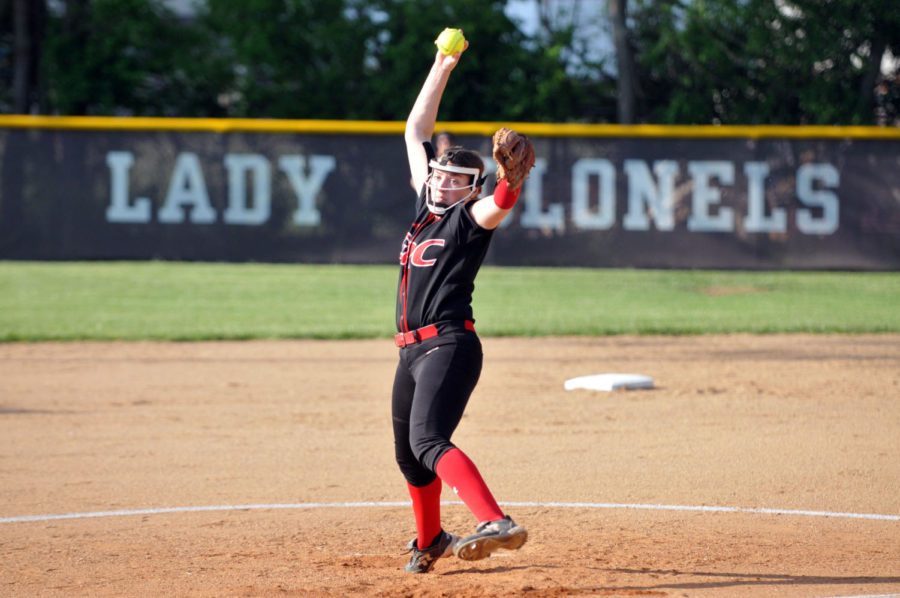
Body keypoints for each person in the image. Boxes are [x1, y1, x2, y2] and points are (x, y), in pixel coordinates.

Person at [392, 35, 534, 574]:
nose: (444, 184)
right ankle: (429, 540)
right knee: (409, 457)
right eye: (440, 176)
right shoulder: (424, 209)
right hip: (410, 352)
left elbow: (500, 203)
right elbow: (416, 130)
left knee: (428, 440)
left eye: (456, 182)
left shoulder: (467, 219)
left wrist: (510, 181)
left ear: (470, 190)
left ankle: (495, 521)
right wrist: (441, 65)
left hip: (449, 345)